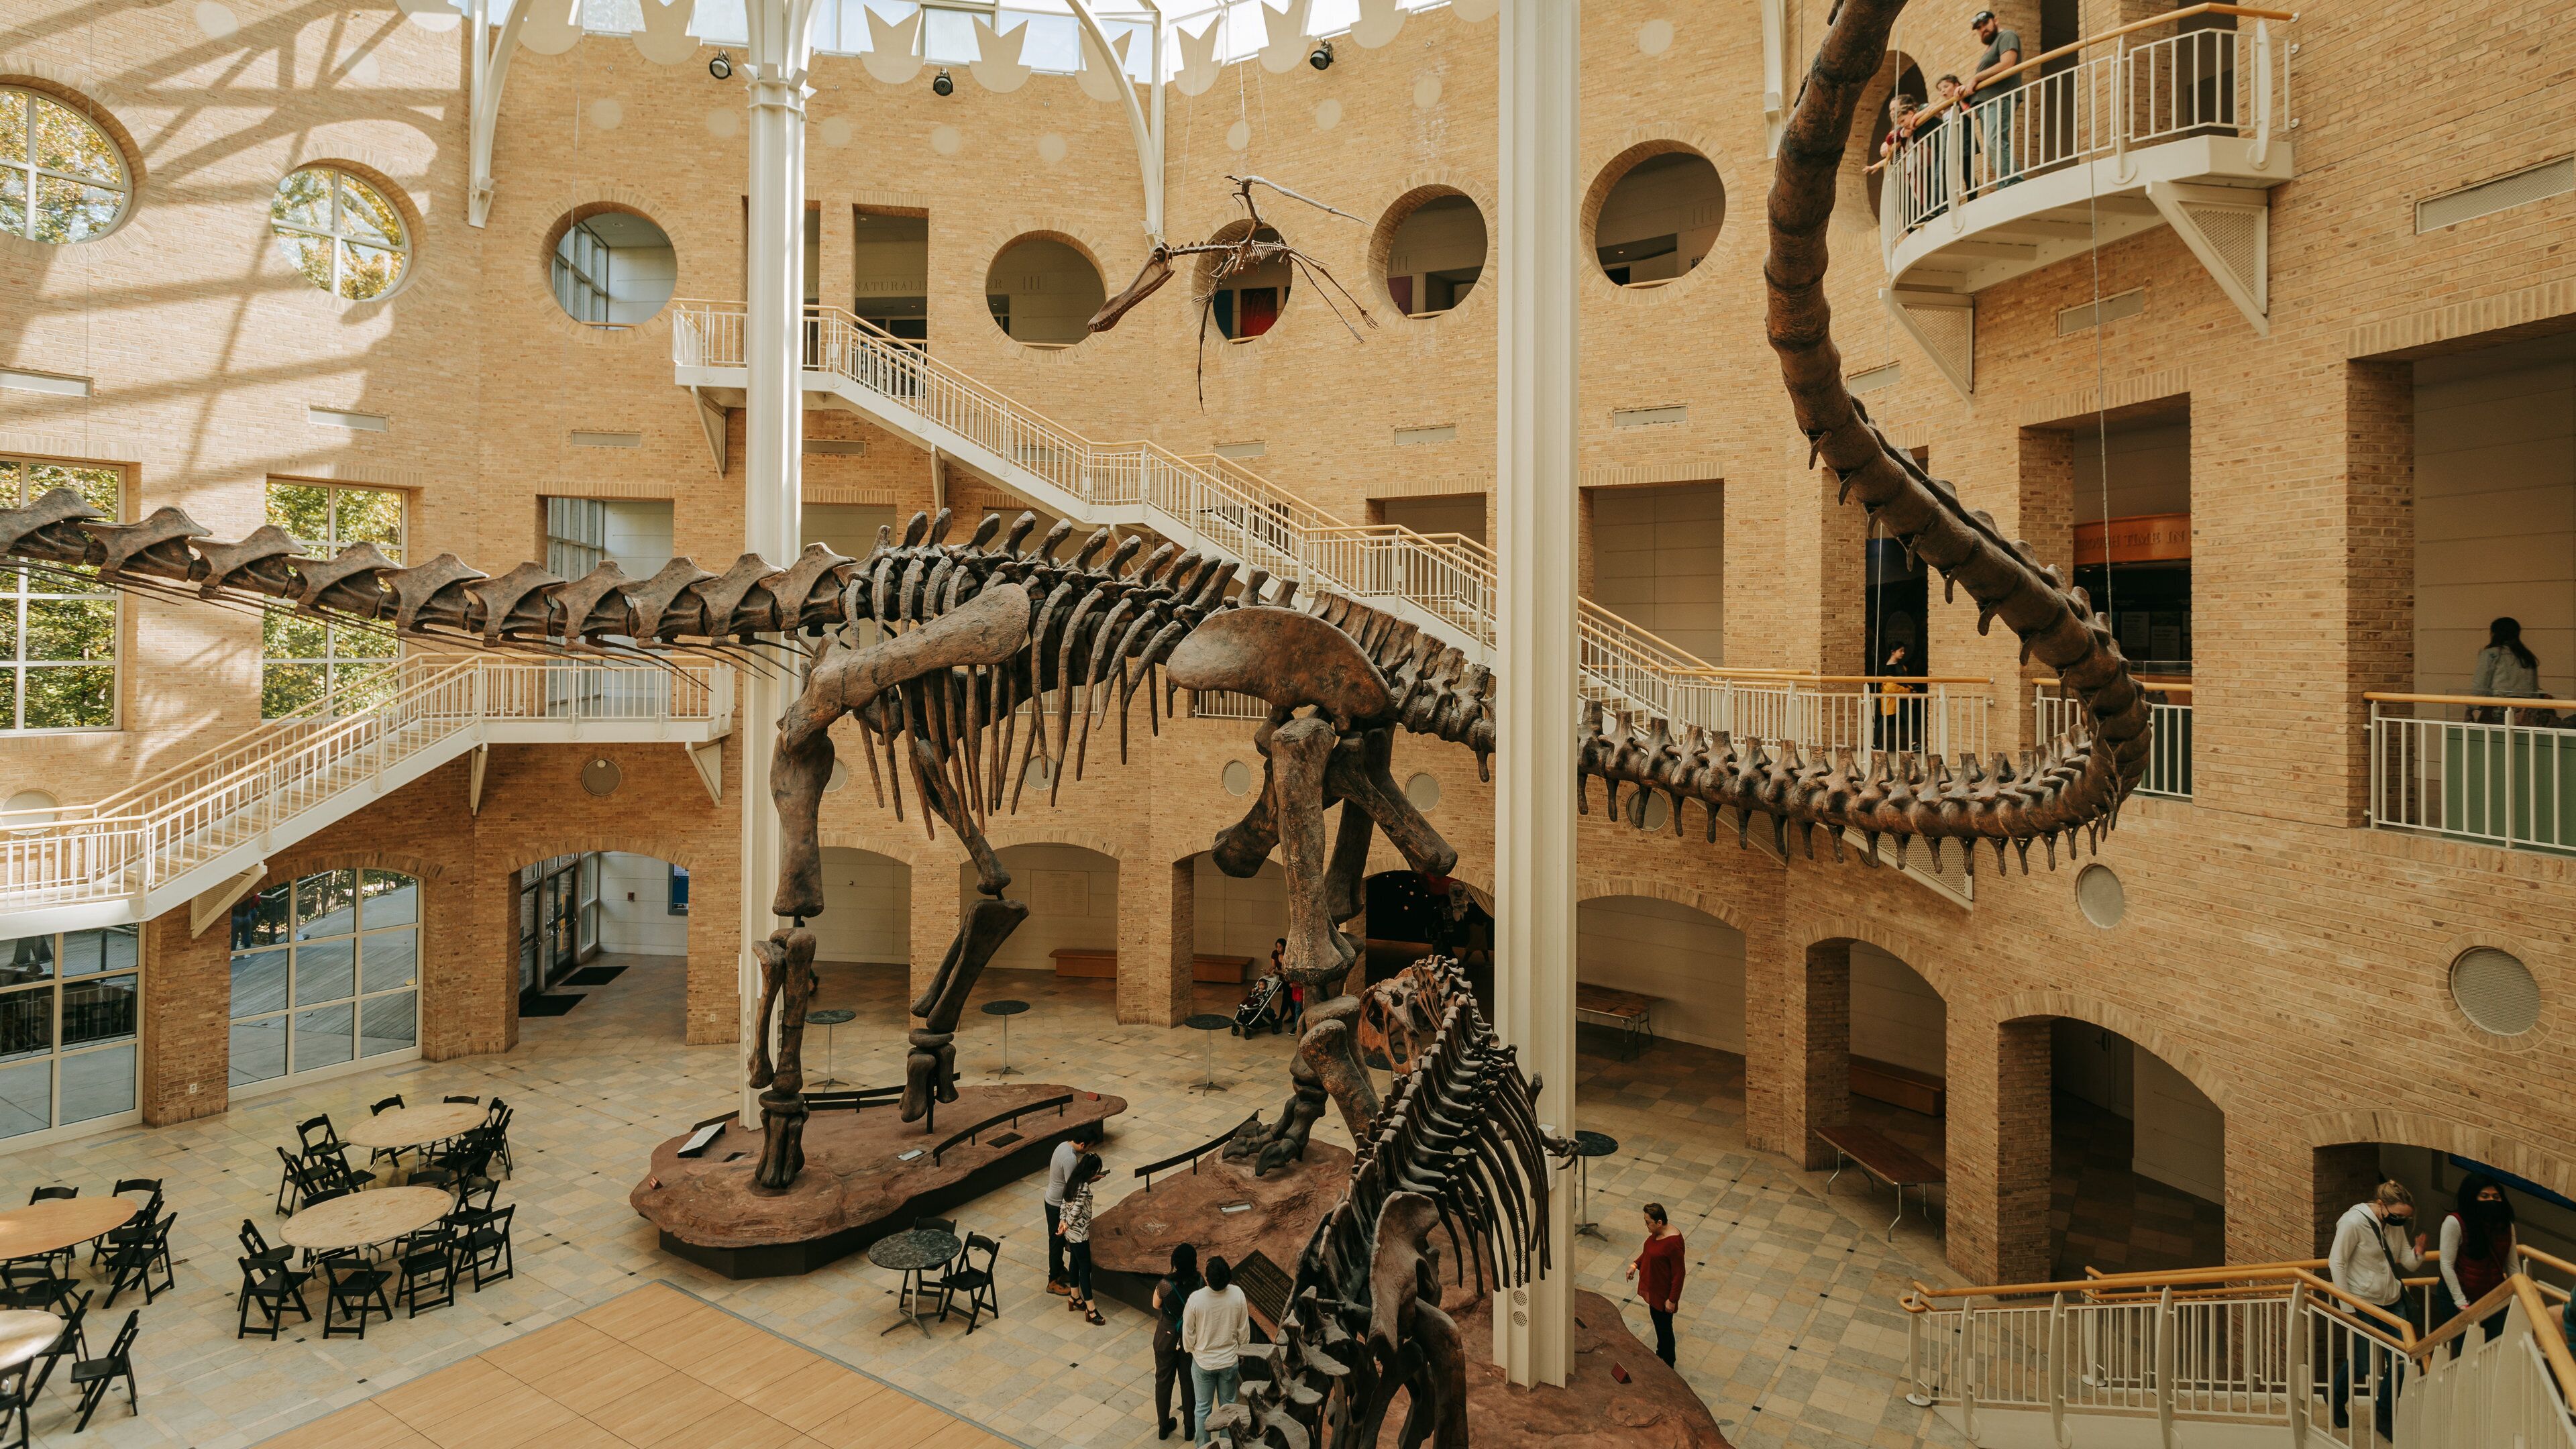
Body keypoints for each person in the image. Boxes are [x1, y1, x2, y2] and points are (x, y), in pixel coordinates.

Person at [2327, 1180, 2427, 1438]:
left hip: (2393, 1301)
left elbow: (2406, 1261)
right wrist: (2347, 1306)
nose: (2401, 1221)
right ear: (2382, 1205)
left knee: (2402, 1361)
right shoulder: (2353, 1223)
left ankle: (2385, 1415)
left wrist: (2419, 1253)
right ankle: (2336, 1397)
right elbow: (2336, 1262)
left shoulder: (2394, 1225)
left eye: (2406, 1218)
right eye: (2398, 1216)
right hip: (2363, 1302)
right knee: (2363, 1363)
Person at [2438, 1173, 2518, 1349]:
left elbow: (2513, 1267)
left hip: (2492, 1296)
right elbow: (2446, 1264)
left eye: (2496, 1197)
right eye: (2485, 1196)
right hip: (2460, 1297)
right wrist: (2461, 1302)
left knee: (2495, 1346)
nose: (2491, 1200)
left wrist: (2518, 1297)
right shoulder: (2455, 1222)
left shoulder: (2506, 1225)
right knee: (2465, 1348)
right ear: (2472, 1197)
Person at [1182, 1255, 1250, 1446]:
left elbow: (1188, 1331)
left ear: (1207, 1278)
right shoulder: (1237, 1294)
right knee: (1228, 1408)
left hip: (1203, 1362)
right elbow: (1243, 1329)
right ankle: (1227, 1445)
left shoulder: (1196, 1299)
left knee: (1202, 1408)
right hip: (1229, 1361)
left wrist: (1191, 1349)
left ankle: (1203, 1446)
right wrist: (1242, 1351)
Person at [1962, 10, 2023, 190]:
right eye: (1979, 28)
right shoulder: (1989, 48)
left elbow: (2008, 63)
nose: (1983, 30)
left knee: (1995, 140)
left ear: (1995, 21)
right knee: (1991, 144)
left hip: (1999, 98)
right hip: (1986, 103)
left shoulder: (2007, 36)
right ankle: (2005, 183)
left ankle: (2013, 182)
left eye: (1985, 24)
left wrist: (1976, 78)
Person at [1625, 1202, 1687, 1367]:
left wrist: (1672, 1300)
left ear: (1659, 1222)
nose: (1646, 1226)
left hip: (1663, 1295)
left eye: (1648, 1222)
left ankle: (1668, 1363)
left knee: (1665, 1330)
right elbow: (1649, 1253)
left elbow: (1679, 1274)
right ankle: (1661, 1356)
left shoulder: (1672, 1244)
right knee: (1660, 1328)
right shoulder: (1658, 1234)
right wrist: (1636, 1264)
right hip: (1655, 1289)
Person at [1152, 1243, 1203, 1440]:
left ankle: (1164, 1427)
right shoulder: (1199, 1282)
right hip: (1190, 1337)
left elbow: (1155, 1304)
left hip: (1167, 1334)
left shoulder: (1165, 1284)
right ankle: (1190, 1428)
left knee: (1163, 1380)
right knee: (1188, 1381)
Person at [1044, 1124, 1102, 1296]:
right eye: (1090, 1147)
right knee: (1057, 1241)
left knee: (1059, 1241)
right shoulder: (1070, 1159)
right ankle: (1053, 1280)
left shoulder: (1063, 1145)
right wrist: (1091, 1180)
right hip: (1056, 1203)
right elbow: (1073, 1188)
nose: (1089, 1150)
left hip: (1052, 1198)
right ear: (1083, 1145)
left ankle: (1060, 1270)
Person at [1057, 1150, 1105, 1325]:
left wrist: (1063, 1223)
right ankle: (1091, 1309)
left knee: (1075, 1263)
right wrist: (1067, 1224)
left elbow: (1064, 1203)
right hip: (1080, 1234)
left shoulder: (1073, 1181)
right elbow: (1077, 1210)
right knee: (1086, 1270)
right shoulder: (1084, 1187)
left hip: (1071, 1233)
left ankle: (1074, 1297)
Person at [2468, 616, 2544, 722]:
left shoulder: (2491, 654)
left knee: (2491, 738)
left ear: (2494, 634)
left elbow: (2480, 684)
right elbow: (2534, 689)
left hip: (2497, 708)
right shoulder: (2526, 657)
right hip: (2524, 710)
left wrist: (2471, 708)